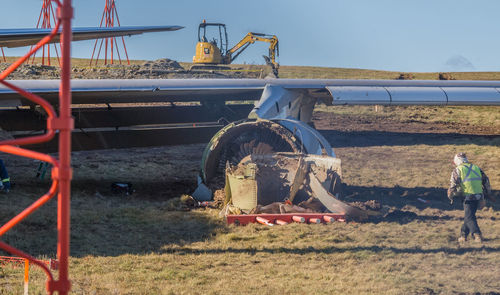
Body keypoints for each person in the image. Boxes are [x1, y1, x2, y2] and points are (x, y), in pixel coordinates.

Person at [447, 153, 492, 243]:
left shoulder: (458, 170)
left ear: (456, 161)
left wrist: (450, 196)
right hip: (479, 196)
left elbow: (453, 186)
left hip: (468, 196)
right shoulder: (476, 168)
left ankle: (477, 235)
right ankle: (463, 235)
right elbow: (486, 181)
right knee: (469, 215)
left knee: (469, 217)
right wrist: (487, 193)